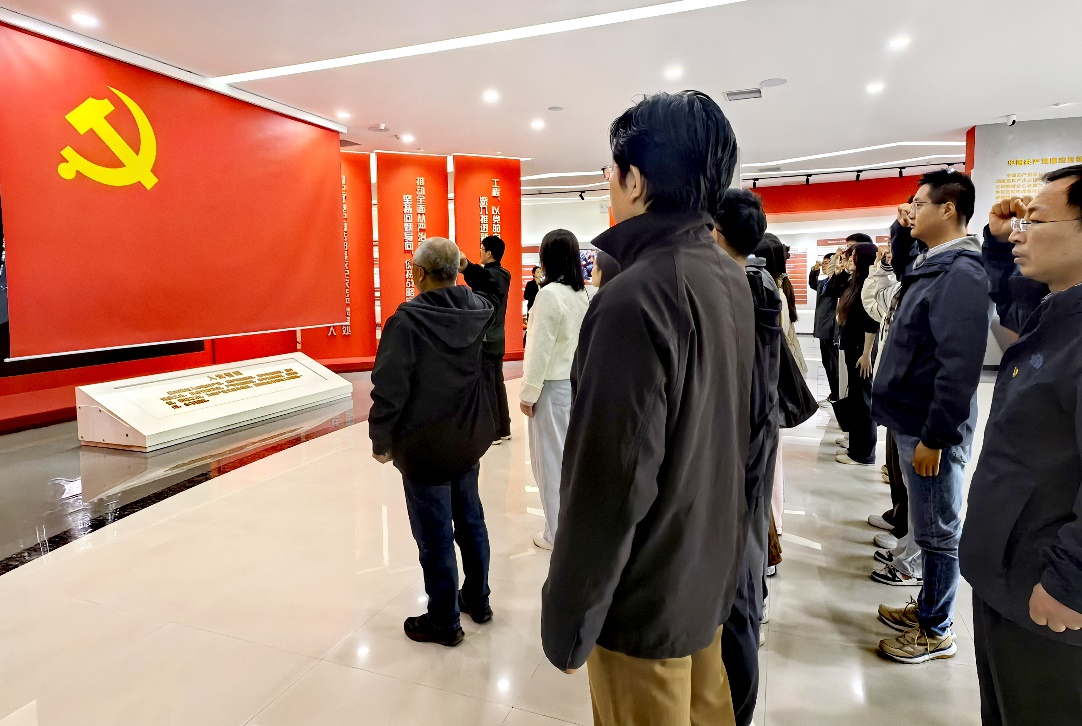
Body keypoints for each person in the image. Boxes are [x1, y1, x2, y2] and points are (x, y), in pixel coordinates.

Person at [541, 90, 753, 725]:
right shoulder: (728, 276)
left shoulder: (634, 297)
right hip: (705, 570)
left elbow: (610, 482)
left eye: (612, 170)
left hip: (644, 597)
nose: (608, 182)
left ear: (636, 180)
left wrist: (571, 618)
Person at [960, 166, 1082, 724]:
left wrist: (1070, 580)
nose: (1018, 232)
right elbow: (1010, 306)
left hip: (1049, 590)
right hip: (1009, 571)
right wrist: (993, 243)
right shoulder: (1057, 314)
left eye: (1035, 222)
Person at [872, 169, 991, 663]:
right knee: (927, 525)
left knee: (939, 531)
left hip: (930, 427)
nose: (911, 210)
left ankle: (937, 629)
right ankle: (927, 609)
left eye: (919, 203)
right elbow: (904, 268)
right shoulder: (934, 263)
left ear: (948, 208)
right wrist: (902, 229)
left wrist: (936, 436)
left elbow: (958, 365)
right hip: (914, 419)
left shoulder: (962, 273)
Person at [369, 237, 498, 647]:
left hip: (423, 446)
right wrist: (467, 267)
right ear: (456, 270)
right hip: (467, 439)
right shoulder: (479, 310)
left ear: (419, 273)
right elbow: (495, 288)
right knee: (471, 522)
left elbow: (390, 388)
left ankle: (444, 621)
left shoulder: (406, 321)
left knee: (435, 535)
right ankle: (477, 600)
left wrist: (380, 439)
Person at [713, 187, 782, 726]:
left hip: (739, 454)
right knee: (745, 578)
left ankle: (736, 709)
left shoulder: (731, 293)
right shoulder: (762, 286)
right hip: (756, 445)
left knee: (735, 593)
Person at [863, 208, 923, 587]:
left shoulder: (950, 276)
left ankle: (914, 558)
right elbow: (876, 303)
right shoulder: (909, 283)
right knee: (902, 475)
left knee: (924, 492)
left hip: (918, 406)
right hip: (899, 398)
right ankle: (905, 538)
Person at [520, 230, 590, 551]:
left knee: (549, 462)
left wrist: (528, 393)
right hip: (574, 384)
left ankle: (556, 533)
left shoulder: (549, 295)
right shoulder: (581, 293)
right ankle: (573, 526)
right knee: (569, 460)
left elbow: (539, 349)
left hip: (550, 387)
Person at [461, 235, 512, 444]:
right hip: (498, 337)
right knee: (497, 383)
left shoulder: (490, 276)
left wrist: (466, 267)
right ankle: (504, 428)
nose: (480, 252)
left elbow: (482, 278)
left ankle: (494, 431)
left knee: (487, 384)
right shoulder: (505, 274)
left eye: (482, 249)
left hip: (486, 338)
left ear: (489, 253)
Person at [834, 240, 880, 466]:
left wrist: (867, 353)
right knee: (856, 398)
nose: (848, 258)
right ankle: (855, 446)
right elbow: (833, 289)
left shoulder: (868, 284)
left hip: (862, 351)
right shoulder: (855, 281)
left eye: (852, 255)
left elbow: (871, 321)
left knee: (863, 400)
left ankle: (863, 454)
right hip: (854, 348)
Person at [809, 251, 840, 402]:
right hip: (822, 328)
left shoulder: (836, 283)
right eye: (823, 263)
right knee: (827, 363)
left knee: (834, 363)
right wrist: (814, 270)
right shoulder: (823, 283)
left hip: (831, 329)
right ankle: (833, 392)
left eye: (827, 263)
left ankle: (837, 392)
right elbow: (812, 283)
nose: (824, 265)